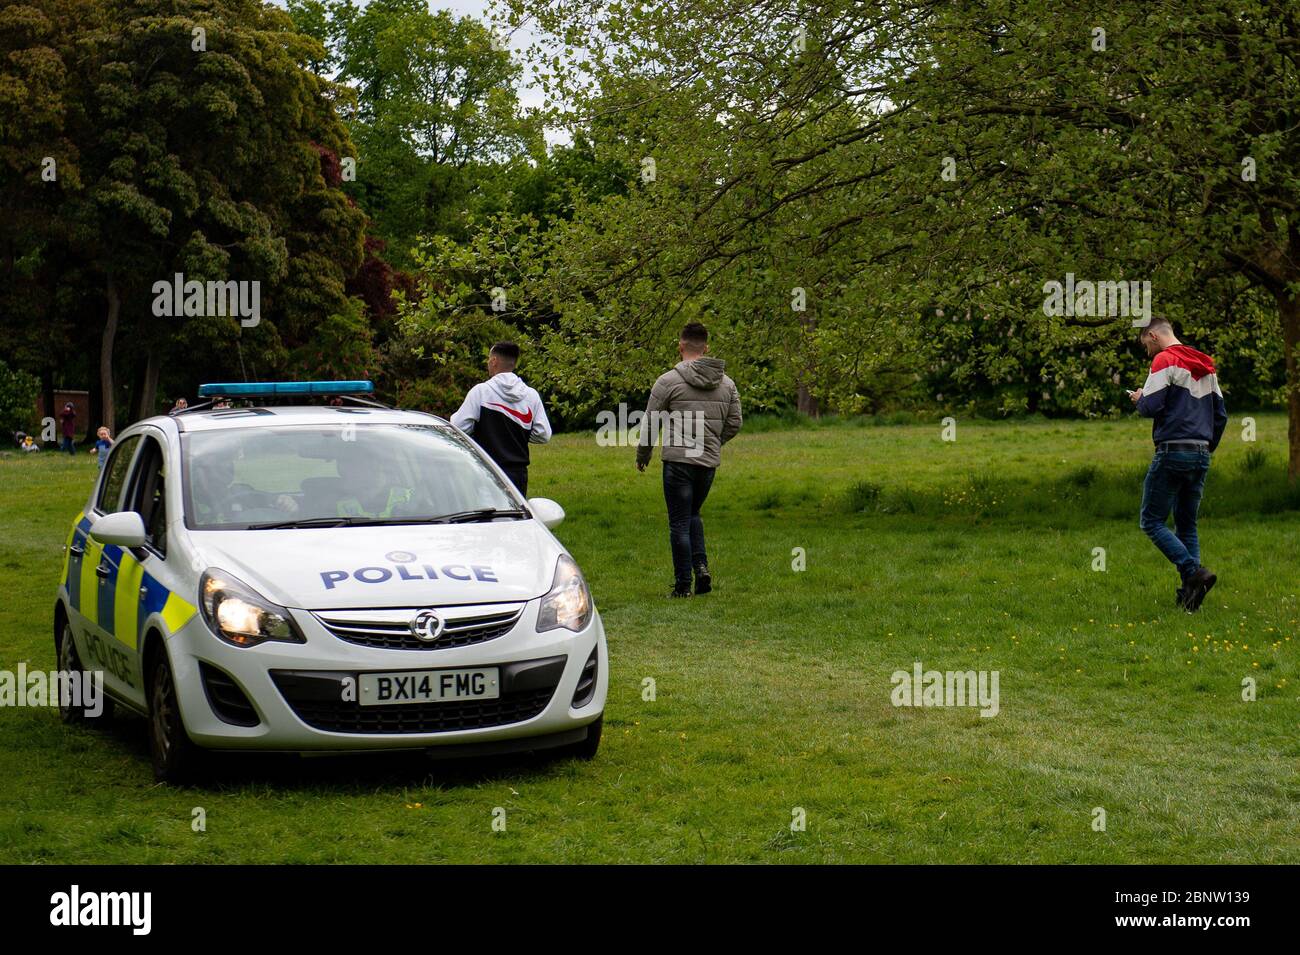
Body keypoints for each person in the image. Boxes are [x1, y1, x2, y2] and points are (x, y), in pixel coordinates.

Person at [636, 322, 743, 598]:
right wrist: (712, 444)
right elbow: (735, 423)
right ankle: (701, 567)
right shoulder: (727, 384)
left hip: (678, 463)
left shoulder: (667, 381)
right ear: (706, 348)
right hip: (707, 464)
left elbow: (650, 423)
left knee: (679, 522)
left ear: (680, 346)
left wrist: (643, 454)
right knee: (693, 514)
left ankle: (683, 584)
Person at [1130, 317, 1228, 612]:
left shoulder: (1165, 360)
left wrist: (1138, 398)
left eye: (1145, 343)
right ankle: (1191, 597)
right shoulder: (1204, 365)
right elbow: (1220, 415)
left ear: (1153, 335)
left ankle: (1193, 571)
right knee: (1187, 523)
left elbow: (1151, 406)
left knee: (1151, 521)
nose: (1146, 351)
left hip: (1173, 451)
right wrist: (1206, 448)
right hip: (1201, 453)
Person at [451, 341, 552, 496]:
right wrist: (520, 431)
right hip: (518, 475)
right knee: (514, 519)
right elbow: (543, 434)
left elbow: (458, 426)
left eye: (488, 360)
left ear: (494, 361)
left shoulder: (481, 392)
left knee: (488, 518)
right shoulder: (531, 395)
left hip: (487, 470)